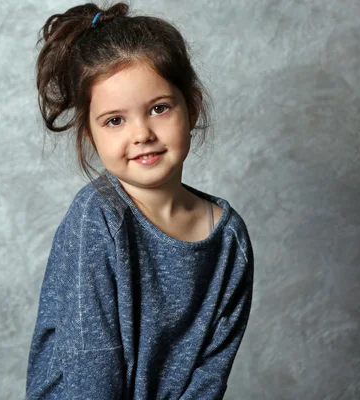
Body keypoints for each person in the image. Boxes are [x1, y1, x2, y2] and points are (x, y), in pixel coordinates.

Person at [25, 2, 254, 399]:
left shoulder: (229, 239)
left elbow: (211, 371)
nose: (142, 133)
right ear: (90, 135)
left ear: (192, 106)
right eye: (115, 120)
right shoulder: (97, 219)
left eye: (159, 109)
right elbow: (90, 367)